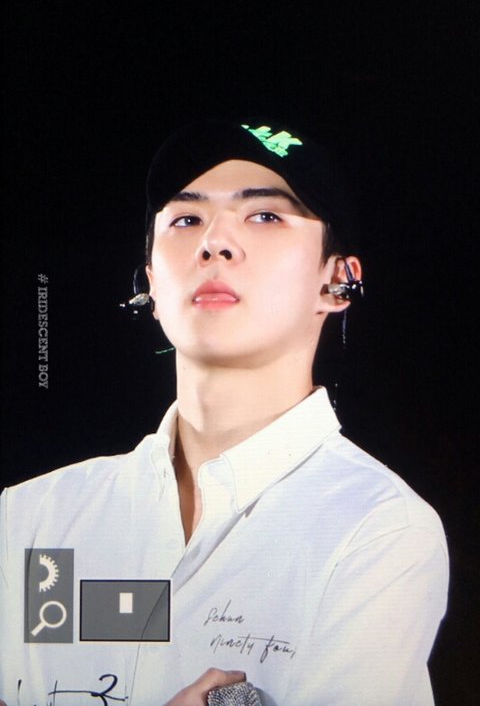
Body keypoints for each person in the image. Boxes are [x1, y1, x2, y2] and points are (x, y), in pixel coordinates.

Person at [0, 120, 448, 705]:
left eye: (264, 215)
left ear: (338, 281)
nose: (214, 242)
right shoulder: (32, 519)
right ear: (151, 283)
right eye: (187, 219)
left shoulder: (377, 530)